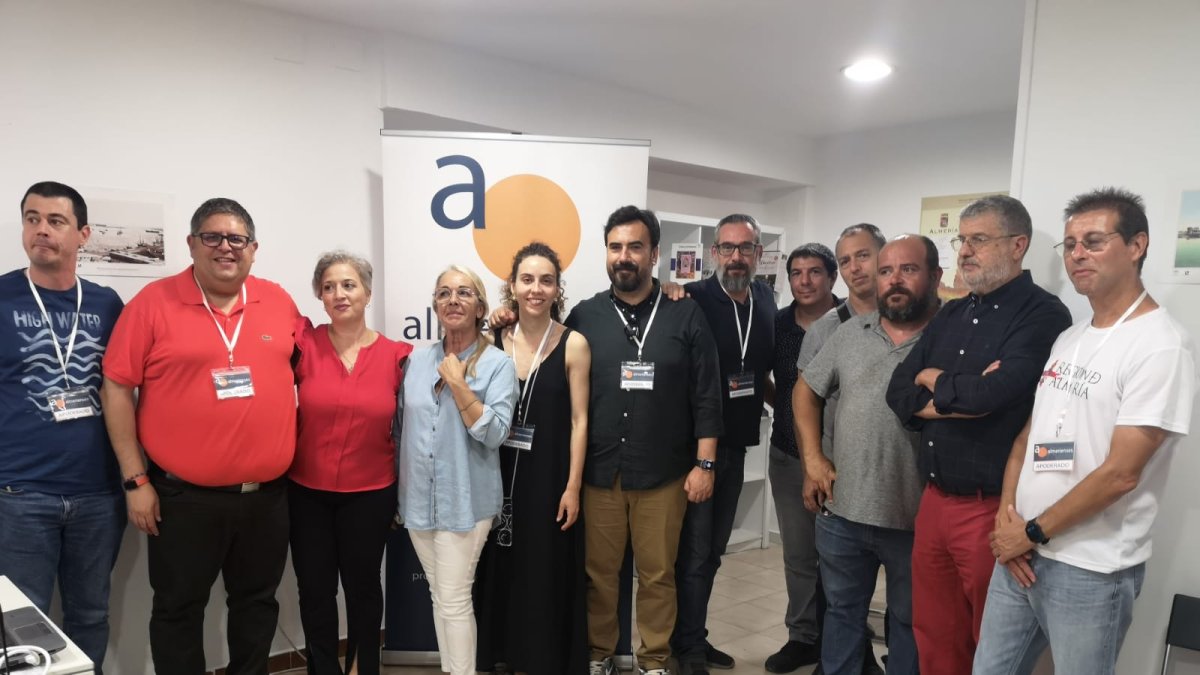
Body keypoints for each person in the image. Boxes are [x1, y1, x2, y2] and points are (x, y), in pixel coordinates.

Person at [974, 188, 1196, 675]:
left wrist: (1031, 532)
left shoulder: (1161, 345)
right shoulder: (1070, 337)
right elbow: (1025, 442)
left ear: (1137, 245)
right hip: (1019, 554)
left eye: (1093, 241)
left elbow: (1121, 473)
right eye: (1070, 244)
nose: (1077, 255)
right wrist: (1007, 524)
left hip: (1091, 569)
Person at [101, 197, 300, 674]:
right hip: (182, 498)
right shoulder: (152, 304)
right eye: (212, 237)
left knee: (257, 605)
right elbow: (115, 387)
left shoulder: (278, 301)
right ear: (192, 244)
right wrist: (135, 480)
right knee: (177, 611)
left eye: (237, 239)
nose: (225, 248)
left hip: (266, 499)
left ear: (253, 249)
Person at [885, 195, 1071, 675]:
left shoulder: (1044, 315)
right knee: (934, 632)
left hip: (993, 507)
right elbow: (898, 391)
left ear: (1018, 245)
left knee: (991, 643)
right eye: (961, 240)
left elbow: (994, 395)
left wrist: (936, 380)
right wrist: (956, 391)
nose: (965, 252)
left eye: (979, 240)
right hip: (935, 500)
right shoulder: (949, 313)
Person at [565, 205, 722, 675]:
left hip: (664, 473)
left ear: (654, 253)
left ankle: (653, 660)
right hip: (601, 471)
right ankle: (599, 655)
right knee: (600, 577)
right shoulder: (584, 315)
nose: (624, 256)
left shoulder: (684, 313)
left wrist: (705, 464)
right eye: (615, 247)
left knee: (657, 575)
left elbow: (707, 393)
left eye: (635, 247)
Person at [795, 235, 942, 675]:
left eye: (908, 270)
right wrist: (813, 460)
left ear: (935, 275)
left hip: (915, 518)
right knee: (842, 615)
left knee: (910, 622)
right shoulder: (849, 333)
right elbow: (805, 392)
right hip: (844, 513)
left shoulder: (951, 335)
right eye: (886, 271)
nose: (894, 280)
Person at [0, 181, 125, 671]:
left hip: (98, 492)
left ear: (83, 234)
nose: (41, 231)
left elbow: (130, 388)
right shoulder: (2, 296)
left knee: (90, 615)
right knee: (21, 626)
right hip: (21, 493)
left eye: (55, 221)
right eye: (32, 219)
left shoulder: (107, 304)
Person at [289, 251, 413, 675]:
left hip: (371, 494)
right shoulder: (302, 345)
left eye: (348, 285)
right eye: (328, 287)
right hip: (307, 493)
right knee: (315, 590)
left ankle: (365, 667)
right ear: (319, 297)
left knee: (362, 589)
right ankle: (323, 669)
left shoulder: (398, 356)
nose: (338, 294)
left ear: (367, 292)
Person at [473, 242, 591, 675]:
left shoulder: (574, 344)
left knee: (543, 570)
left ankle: (540, 657)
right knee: (499, 565)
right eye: (527, 279)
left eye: (545, 280)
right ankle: (501, 653)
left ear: (557, 288)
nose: (535, 289)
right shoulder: (493, 340)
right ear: (512, 286)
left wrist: (573, 487)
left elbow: (580, 421)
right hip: (496, 474)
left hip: (549, 480)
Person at [396, 265, 518, 675]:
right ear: (434, 304)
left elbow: (495, 435)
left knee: (454, 599)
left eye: (464, 293)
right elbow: (401, 430)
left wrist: (459, 383)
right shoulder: (416, 361)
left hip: (466, 503)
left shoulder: (498, 365)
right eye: (444, 292)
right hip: (417, 502)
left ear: (480, 307)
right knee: (439, 596)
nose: (453, 300)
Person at [671, 214, 777, 675]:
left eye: (746, 248)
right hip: (696, 451)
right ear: (713, 253)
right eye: (728, 247)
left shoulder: (767, 298)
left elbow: (763, 370)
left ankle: (693, 634)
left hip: (737, 446)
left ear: (758, 254)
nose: (737, 256)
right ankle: (687, 646)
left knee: (713, 550)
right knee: (694, 552)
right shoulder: (691, 298)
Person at [793, 224, 886, 675]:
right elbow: (804, 397)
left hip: (900, 487)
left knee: (906, 608)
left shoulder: (924, 319)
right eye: (846, 259)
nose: (854, 268)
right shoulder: (826, 330)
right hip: (839, 483)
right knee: (841, 598)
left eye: (862, 256)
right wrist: (813, 464)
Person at [763, 242, 837, 674]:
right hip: (790, 454)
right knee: (799, 554)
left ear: (832, 278)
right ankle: (803, 636)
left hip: (842, 459)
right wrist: (785, 409)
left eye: (814, 272)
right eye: (796, 273)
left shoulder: (853, 321)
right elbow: (770, 381)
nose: (805, 281)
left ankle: (845, 639)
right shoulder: (777, 326)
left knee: (844, 557)